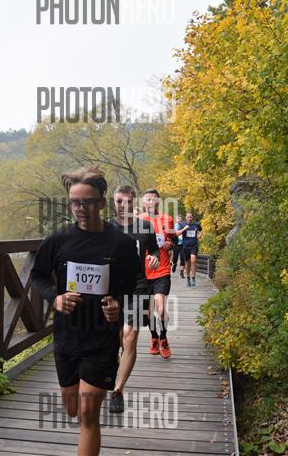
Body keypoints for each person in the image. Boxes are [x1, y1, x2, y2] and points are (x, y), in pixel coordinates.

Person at [30, 166, 140, 456]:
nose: (80, 208)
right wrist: (55, 299)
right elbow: (37, 277)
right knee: (72, 409)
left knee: (88, 416)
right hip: (66, 337)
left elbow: (131, 285)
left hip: (101, 338)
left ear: (101, 203)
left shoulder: (122, 243)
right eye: (74, 202)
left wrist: (118, 304)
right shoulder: (57, 241)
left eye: (87, 202)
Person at [108, 185, 160, 413]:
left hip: (138, 285)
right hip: (110, 289)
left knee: (130, 337)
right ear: (113, 203)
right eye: (120, 201)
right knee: (119, 339)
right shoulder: (105, 229)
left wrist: (154, 259)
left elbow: (155, 250)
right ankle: (116, 365)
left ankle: (117, 391)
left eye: (129, 202)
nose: (124, 206)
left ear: (134, 202)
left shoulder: (145, 227)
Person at [139, 189, 176, 359]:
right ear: (143, 202)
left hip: (162, 269)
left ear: (158, 202)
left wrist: (170, 244)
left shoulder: (167, 219)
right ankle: (154, 337)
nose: (151, 202)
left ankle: (163, 338)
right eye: (147, 199)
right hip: (143, 272)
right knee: (147, 311)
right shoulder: (138, 220)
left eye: (154, 199)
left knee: (160, 308)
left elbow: (173, 239)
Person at [181, 212, 203, 287]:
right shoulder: (183, 224)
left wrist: (199, 236)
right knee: (187, 263)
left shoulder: (196, 224)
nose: (189, 218)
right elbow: (177, 233)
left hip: (194, 246)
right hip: (185, 246)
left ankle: (193, 278)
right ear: (186, 217)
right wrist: (184, 229)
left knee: (193, 260)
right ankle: (188, 277)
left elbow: (201, 230)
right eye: (188, 217)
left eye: (190, 217)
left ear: (192, 218)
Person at [172, 213, 187, 278]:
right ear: (176, 219)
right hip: (176, 244)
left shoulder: (184, 225)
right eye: (178, 218)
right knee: (175, 258)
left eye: (180, 218)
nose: (179, 219)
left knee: (182, 258)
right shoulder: (173, 226)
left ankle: (181, 273)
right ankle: (174, 264)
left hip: (182, 244)